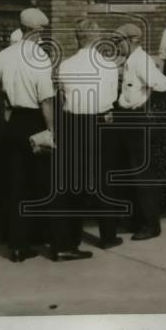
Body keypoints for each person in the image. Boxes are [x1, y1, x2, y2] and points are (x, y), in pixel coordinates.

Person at [0, 7, 55, 262]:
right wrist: (52, 130)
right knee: (39, 183)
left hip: (14, 120)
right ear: (37, 31)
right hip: (34, 121)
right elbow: (46, 101)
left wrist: (4, 96)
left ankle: (16, 243)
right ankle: (36, 236)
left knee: (15, 183)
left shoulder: (6, 54)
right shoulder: (40, 57)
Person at [51, 18, 124, 260]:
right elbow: (112, 96)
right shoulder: (109, 66)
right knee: (104, 180)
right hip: (100, 121)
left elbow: (62, 95)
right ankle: (108, 235)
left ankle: (65, 242)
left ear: (76, 38)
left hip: (72, 123)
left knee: (71, 183)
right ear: (97, 40)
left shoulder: (65, 65)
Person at [115, 22, 166, 239]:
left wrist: (149, 104)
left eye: (119, 42)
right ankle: (135, 221)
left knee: (142, 173)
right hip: (127, 118)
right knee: (129, 171)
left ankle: (150, 225)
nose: (117, 46)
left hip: (138, 119)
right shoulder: (130, 61)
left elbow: (163, 84)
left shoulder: (141, 61)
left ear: (132, 40)